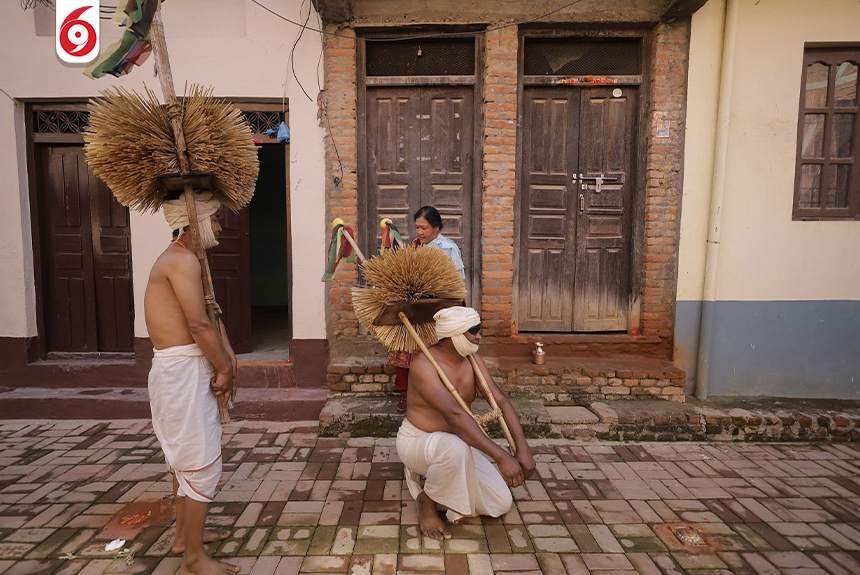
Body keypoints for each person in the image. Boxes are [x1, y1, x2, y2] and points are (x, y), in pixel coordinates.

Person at [144, 191, 239, 575]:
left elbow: (208, 318)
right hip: (181, 372)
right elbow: (199, 325)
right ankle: (193, 560)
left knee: (186, 461)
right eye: (214, 219)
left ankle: (186, 538)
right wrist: (225, 368)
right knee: (200, 464)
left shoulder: (188, 259)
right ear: (196, 221)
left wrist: (225, 360)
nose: (218, 227)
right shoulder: (181, 260)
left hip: (182, 371)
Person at [395, 306, 536, 540]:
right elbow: (456, 416)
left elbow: (499, 400)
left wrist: (522, 449)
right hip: (419, 442)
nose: (479, 336)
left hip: (457, 444)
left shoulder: (472, 359)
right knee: (456, 448)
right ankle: (427, 501)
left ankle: (444, 486)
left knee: (500, 503)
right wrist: (502, 457)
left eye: (478, 329)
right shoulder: (424, 366)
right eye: (473, 331)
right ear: (453, 335)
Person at [390, 206, 466, 411]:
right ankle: (407, 393)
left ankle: (437, 394)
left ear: (436, 227)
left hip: (439, 309)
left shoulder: (448, 248)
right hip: (416, 308)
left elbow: (456, 283)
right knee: (402, 344)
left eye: (424, 228)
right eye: (417, 227)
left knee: (437, 352)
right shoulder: (415, 246)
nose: (420, 232)